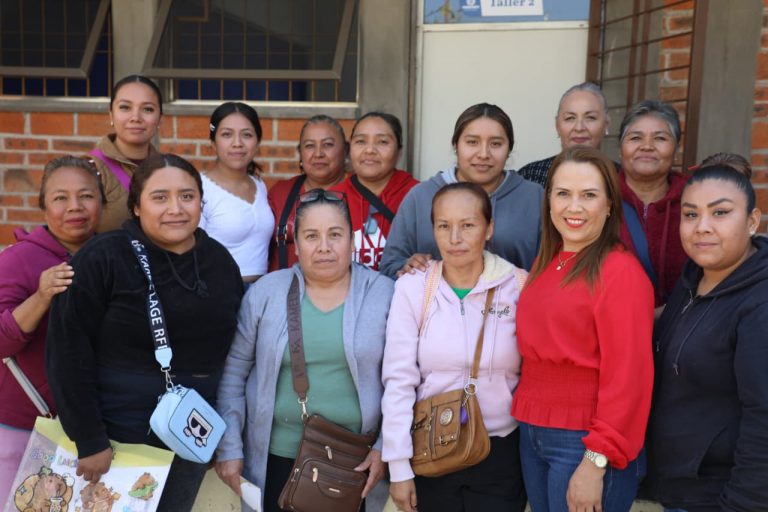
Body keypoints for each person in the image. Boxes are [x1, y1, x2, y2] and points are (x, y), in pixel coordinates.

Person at [46, 153, 243, 510]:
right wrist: (89, 438)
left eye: (187, 196)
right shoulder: (103, 257)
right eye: (160, 197)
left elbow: (230, 355)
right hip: (115, 442)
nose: (175, 208)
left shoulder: (219, 263)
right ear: (136, 206)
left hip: (188, 437)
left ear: (201, 202)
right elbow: (68, 350)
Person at [215, 189, 394, 512]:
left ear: (351, 241)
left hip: (357, 463)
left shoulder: (384, 294)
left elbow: (403, 381)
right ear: (296, 245)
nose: (324, 246)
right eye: (311, 236)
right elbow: (234, 373)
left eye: (335, 234)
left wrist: (385, 447)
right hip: (278, 459)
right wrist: (230, 447)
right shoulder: (266, 293)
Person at [513, 146, 654, 511]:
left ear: (609, 206)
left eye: (589, 195)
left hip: (584, 441)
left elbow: (629, 377)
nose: (573, 207)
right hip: (532, 431)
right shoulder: (548, 261)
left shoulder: (620, 272)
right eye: (563, 193)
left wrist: (596, 459)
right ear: (548, 201)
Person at [382, 182, 528, 512]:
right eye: (444, 226)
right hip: (431, 447)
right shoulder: (413, 289)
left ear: (489, 228)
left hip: (500, 453)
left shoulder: (518, 286)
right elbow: (398, 380)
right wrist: (399, 466)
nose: (455, 238)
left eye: (468, 225)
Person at [645, 165, 768, 511]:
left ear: (752, 221)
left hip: (719, 496)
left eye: (720, 212)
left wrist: (741, 504)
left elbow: (763, 419)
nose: (702, 226)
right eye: (690, 214)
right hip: (677, 486)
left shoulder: (759, 302)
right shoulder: (693, 280)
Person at [0, 156, 104, 503]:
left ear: (102, 202)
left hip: (95, 429)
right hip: (24, 425)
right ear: (43, 205)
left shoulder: (113, 257)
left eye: (86, 196)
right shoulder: (17, 260)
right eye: (61, 197)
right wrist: (42, 295)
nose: (75, 206)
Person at [379, 103, 543, 279]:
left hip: (516, 297)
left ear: (509, 148)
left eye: (496, 144)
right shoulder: (421, 197)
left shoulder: (534, 197)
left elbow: (553, 266)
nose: (483, 154)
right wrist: (407, 266)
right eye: (472, 142)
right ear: (455, 145)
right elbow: (390, 265)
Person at [618, 99, 688, 305]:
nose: (647, 146)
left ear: (676, 150)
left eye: (660, 138)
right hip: (614, 321)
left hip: (683, 321)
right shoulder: (600, 198)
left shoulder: (695, 202)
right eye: (635, 138)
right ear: (620, 149)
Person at [330, 112, 419, 271]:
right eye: (361, 141)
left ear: (399, 152)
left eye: (382, 141)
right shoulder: (331, 199)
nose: (370, 150)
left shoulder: (418, 196)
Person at [200, 102, 274, 283]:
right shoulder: (199, 188)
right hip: (220, 290)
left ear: (258, 142)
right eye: (227, 134)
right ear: (213, 142)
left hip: (262, 291)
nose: (237, 143)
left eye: (247, 135)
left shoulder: (259, 185)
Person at [268, 115, 349, 271]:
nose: (318, 153)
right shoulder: (280, 193)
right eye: (310, 146)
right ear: (300, 153)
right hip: (284, 284)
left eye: (328, 145)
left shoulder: (359, 194)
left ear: (345, 150)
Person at [89, 74, 163, 232]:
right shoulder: (90, 169)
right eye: (125, 107)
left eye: (147, 109)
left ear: (159, 118)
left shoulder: (169, 170)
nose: (136, 117)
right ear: (111, 114)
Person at [518, 82, 611, 186]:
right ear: (557, 126)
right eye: (570, 118)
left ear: (606, 124)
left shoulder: (619, 177)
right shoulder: (530, 176)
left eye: (590, 118)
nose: (579, 128)